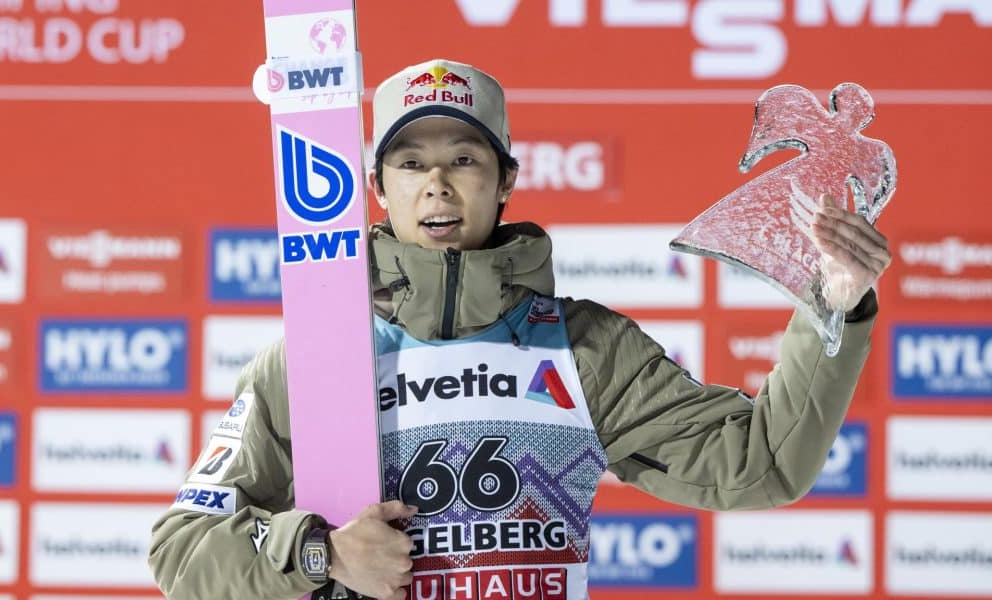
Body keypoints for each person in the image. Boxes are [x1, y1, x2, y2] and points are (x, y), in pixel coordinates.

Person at [149, 58, 890, 600]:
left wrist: (834, 303)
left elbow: (761, 464)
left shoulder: (584, 348)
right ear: (378, 186)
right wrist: (322, 556)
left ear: (504, 179)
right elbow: (182, 553)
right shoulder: (314, 358)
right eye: (411, 163)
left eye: (463, 159)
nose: (437, 183)